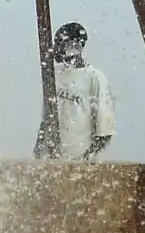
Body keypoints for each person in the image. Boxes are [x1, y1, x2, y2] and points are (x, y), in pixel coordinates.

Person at [40, 22, 115, 161]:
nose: (54, 48)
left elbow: (105, 132)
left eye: (59, 43)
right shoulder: (55, 74)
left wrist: (83, 160)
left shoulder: (95, 77)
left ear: (73, 46)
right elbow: (46, 119)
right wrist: (38, 151)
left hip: (78, 160)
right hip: (51, 159)